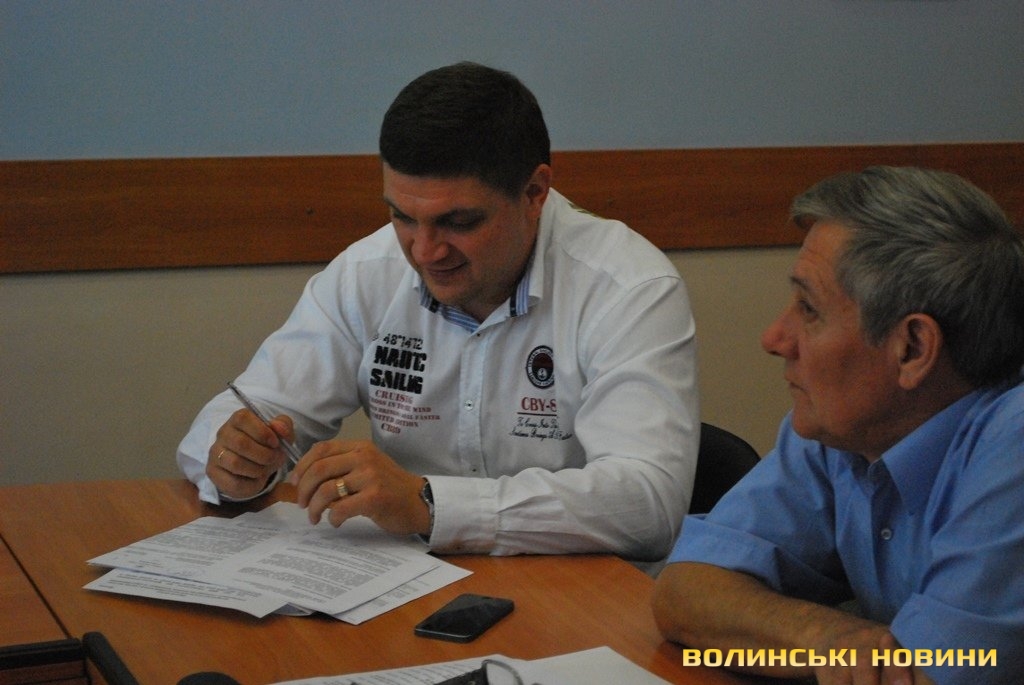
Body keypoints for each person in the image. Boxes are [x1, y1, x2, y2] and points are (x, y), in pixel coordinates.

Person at [176, 62, 699, 562]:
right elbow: (246, 414)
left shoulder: (629, 288)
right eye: (403, 217)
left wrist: (430, 504)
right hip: (406, 581)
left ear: (534, 192)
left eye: (459, 222)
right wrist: (237, 461)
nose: (425, 252)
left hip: (584, 594)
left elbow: (648, 503)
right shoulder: (368, 271)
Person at [652, 166, 1024, 685]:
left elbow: (928, 675)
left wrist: (830, 649)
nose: (774, 338)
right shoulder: (844, 431)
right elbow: (683, 591)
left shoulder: (1012, 446)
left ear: (912, 348)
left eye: (809, 309)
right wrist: (825, 637)